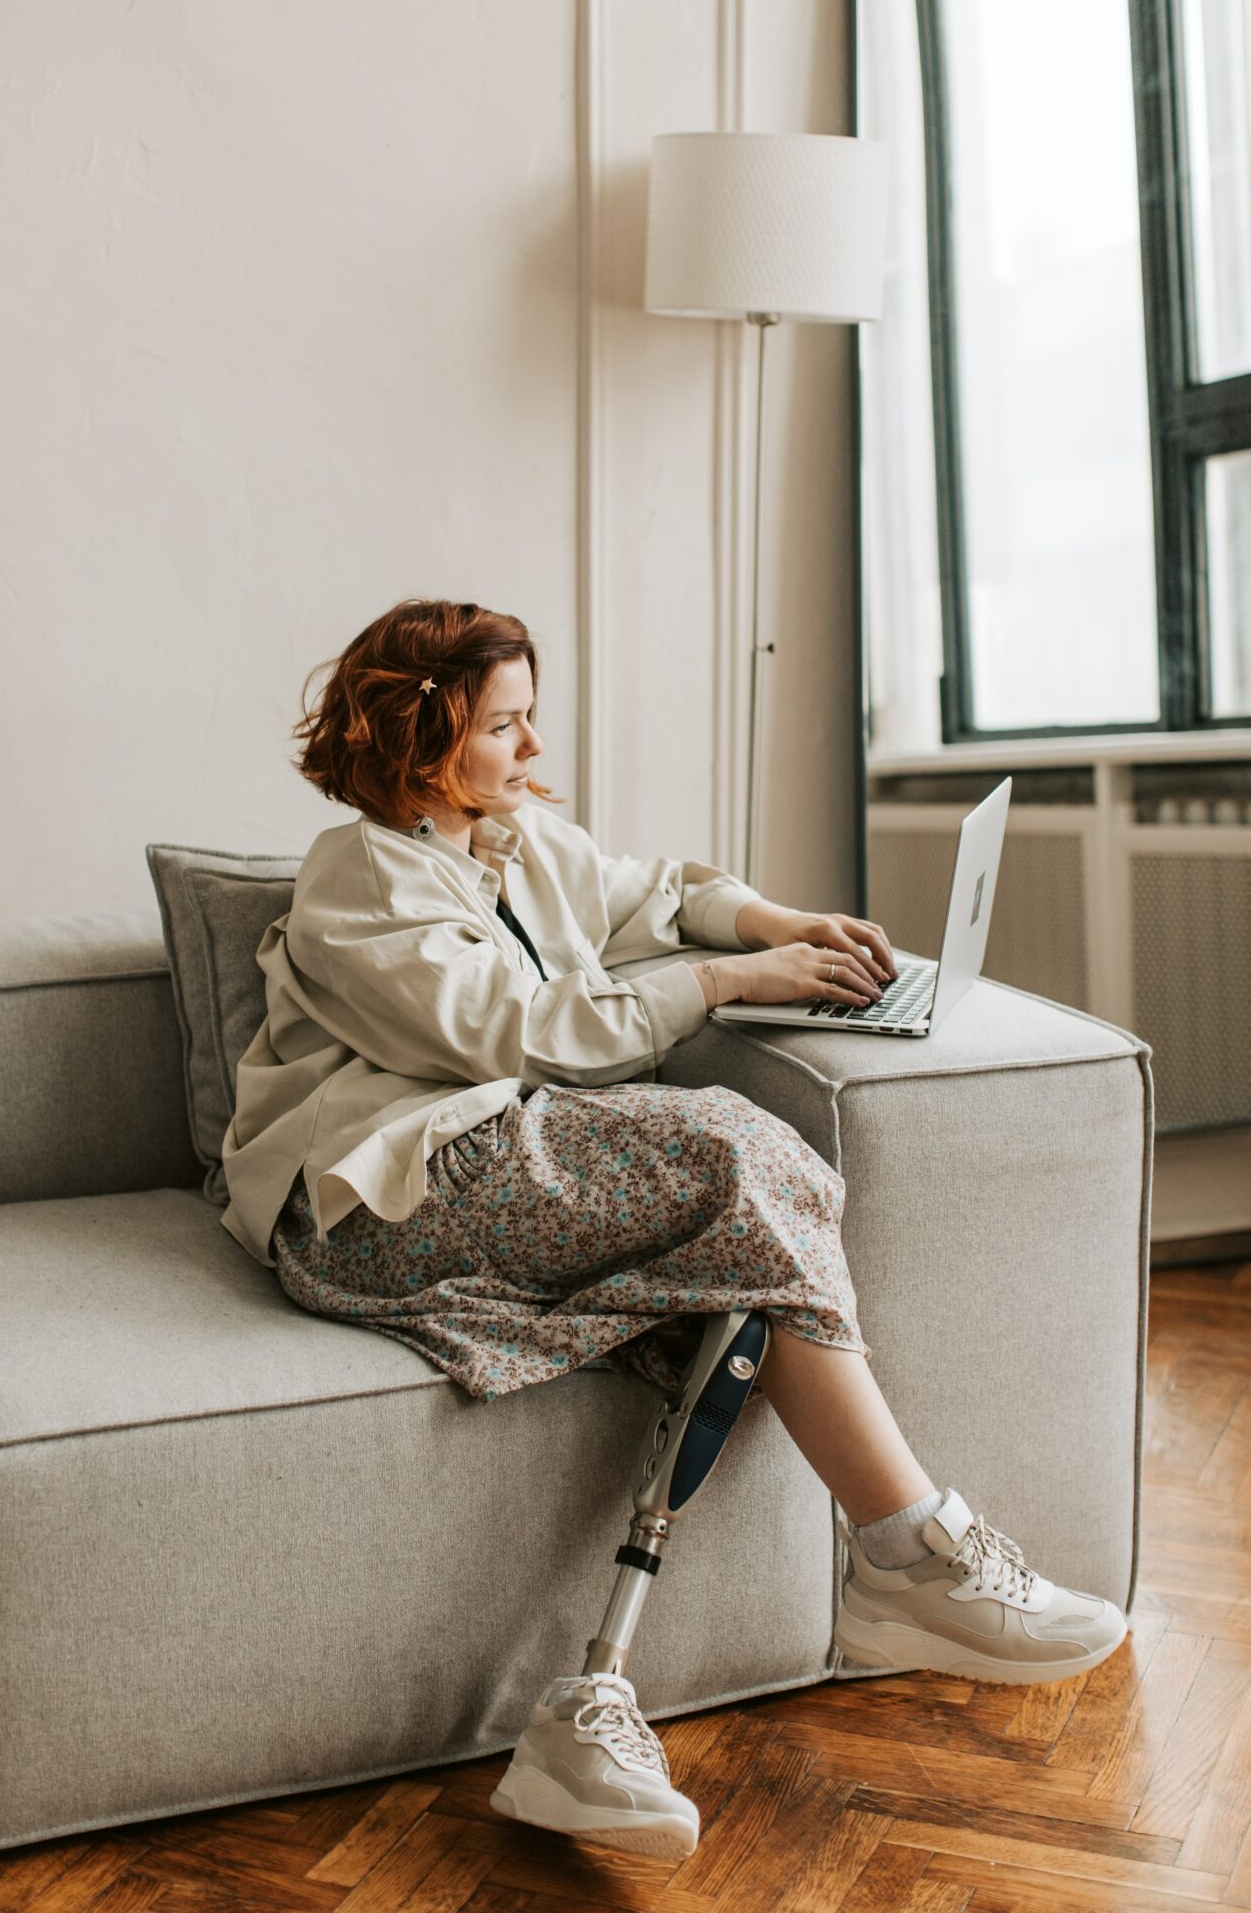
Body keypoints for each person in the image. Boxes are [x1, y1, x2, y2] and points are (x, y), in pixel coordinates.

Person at [219, 597, 1129, 1860]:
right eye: (504, 725)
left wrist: (772, 926)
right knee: (730, 1149)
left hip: (500, 1170)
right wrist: (723, 983)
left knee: (740, 1302)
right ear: (420, 735)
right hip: (380, 1198)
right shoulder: (357, 876)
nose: (531, 749)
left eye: (528, 717)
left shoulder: (511, 836)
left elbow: (655, 895)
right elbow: (508, 1033)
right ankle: (904, 1549)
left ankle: (588, 1704)